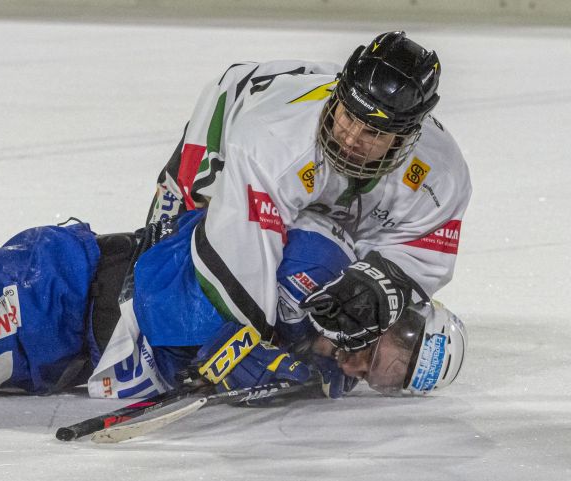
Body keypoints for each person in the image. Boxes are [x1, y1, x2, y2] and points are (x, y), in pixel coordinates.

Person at [0, 209, 466, 405]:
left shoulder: (329, 361)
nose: (365, 368)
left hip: (68, 347)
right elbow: (188, 269)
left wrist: (264, 366)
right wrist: (224, 347)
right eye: (385, 352)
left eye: (388, 379)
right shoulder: (316, 266)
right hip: (63, 289)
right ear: (394, 313)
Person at [146, 31, 471, 358]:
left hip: (292, 147)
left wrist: (380, 285)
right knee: (170, 249)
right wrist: (255, 347)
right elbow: (241, 258)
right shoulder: (274, 141)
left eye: (373, 131)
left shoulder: (441, 173)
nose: (351, 138)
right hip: (235, 111)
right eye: (348, 115)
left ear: (406, 136)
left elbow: (422, 254)